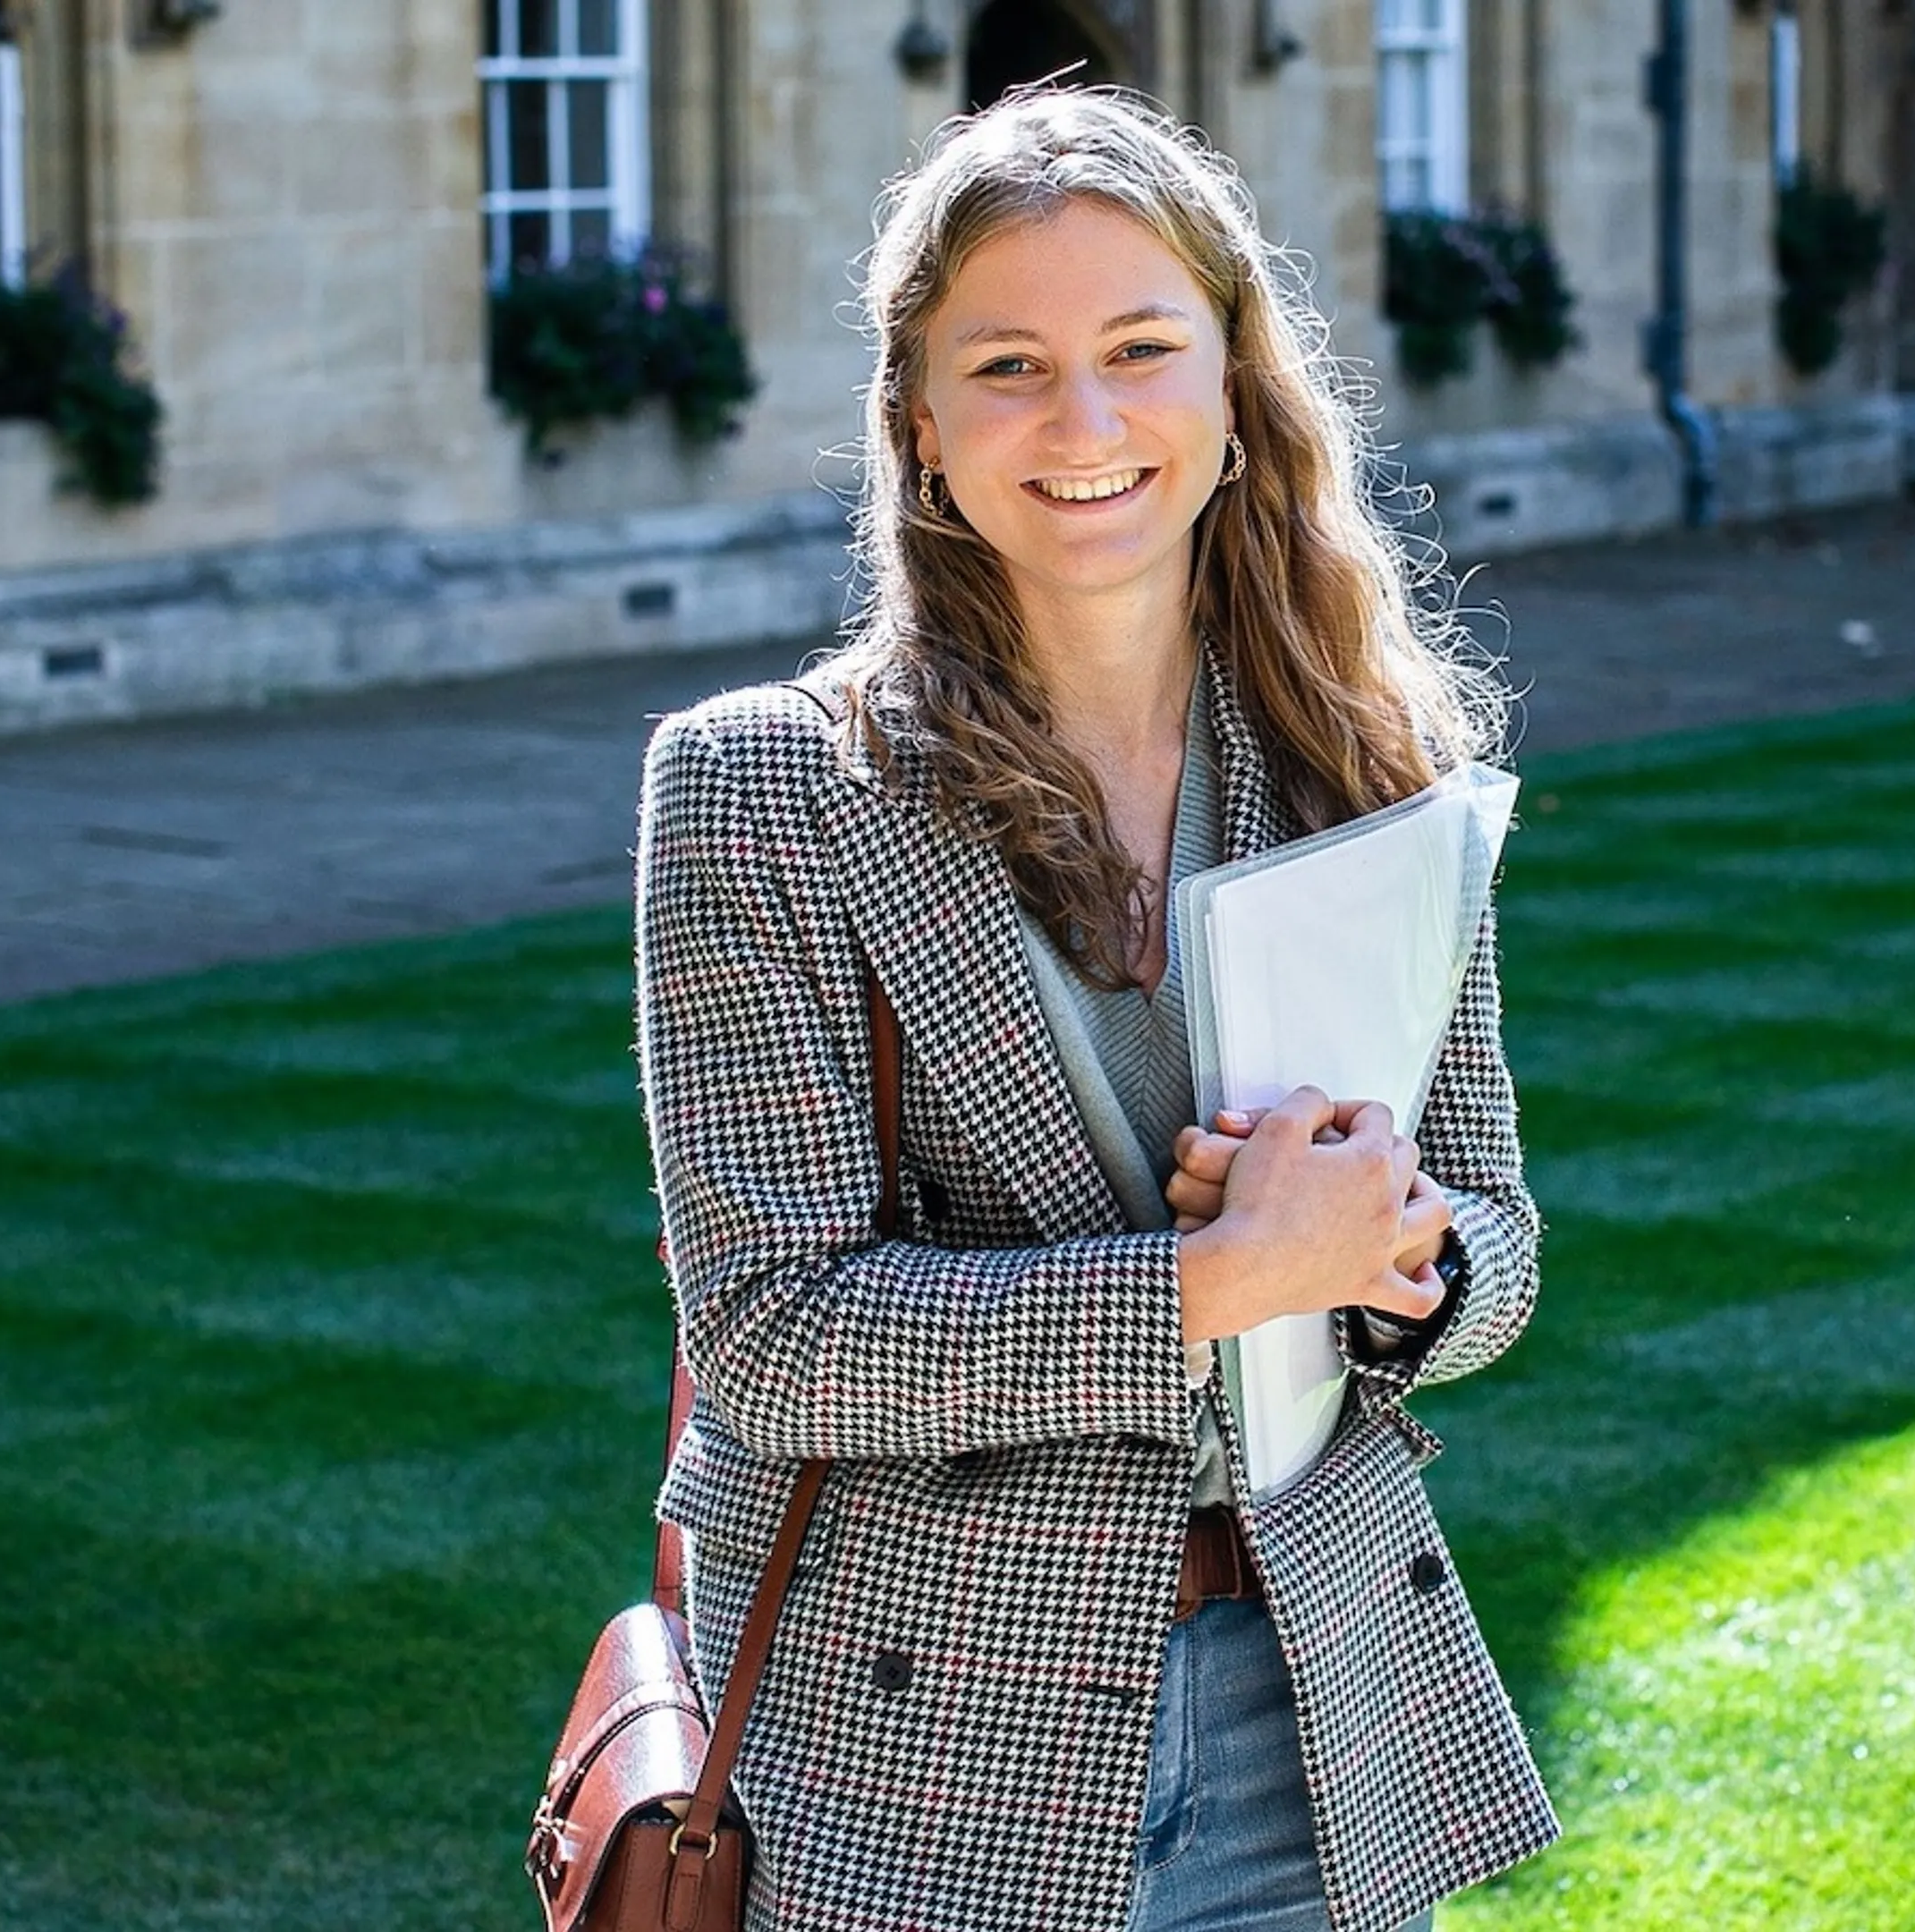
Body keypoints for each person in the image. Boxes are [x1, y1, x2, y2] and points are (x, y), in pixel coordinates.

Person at [632, 87, 1554, 1932]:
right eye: (1010, 367)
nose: (1087, 422)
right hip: (911, 1754)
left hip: (1310, 1713)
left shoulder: (1368, 769)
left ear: (1234, 397)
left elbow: (1500, 1245)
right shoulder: (755, 789)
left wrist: (1393, 1257)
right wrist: (1225, 1277)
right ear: (921, 429)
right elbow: (771, 1338)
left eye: (1144, 351)